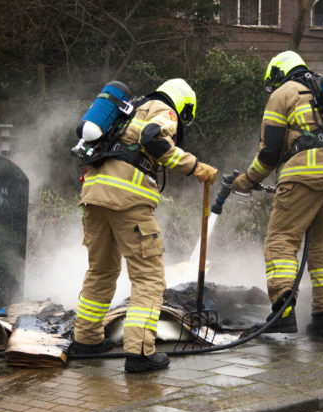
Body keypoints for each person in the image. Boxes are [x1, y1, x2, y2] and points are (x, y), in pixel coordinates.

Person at [73, 78, 218, 372]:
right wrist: (195, 166)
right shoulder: (164, 109)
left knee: (101, 270)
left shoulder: (129, 110)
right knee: (148, 277)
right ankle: (140, 352)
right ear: (183, 103)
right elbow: (154, 139)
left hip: (94, 194)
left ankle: (86, 340)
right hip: (128, 200)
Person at [233, 51, 323, 337]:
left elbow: (270, 151)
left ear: (278, 73)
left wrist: (247, 179)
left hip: (304, 175)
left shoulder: (284, 93)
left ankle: (283, 314)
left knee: (280, 242)